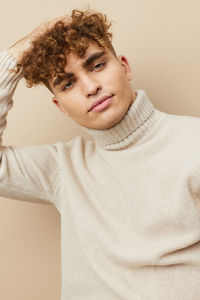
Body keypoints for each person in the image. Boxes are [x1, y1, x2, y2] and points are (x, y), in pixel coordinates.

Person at [1, 8, 200, 300]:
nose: (91, 87)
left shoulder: (193, 142)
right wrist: (18, 56)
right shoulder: (61, 168)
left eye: (96, 66)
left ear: (125, 67)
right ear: (61, 107)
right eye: (68, 83)